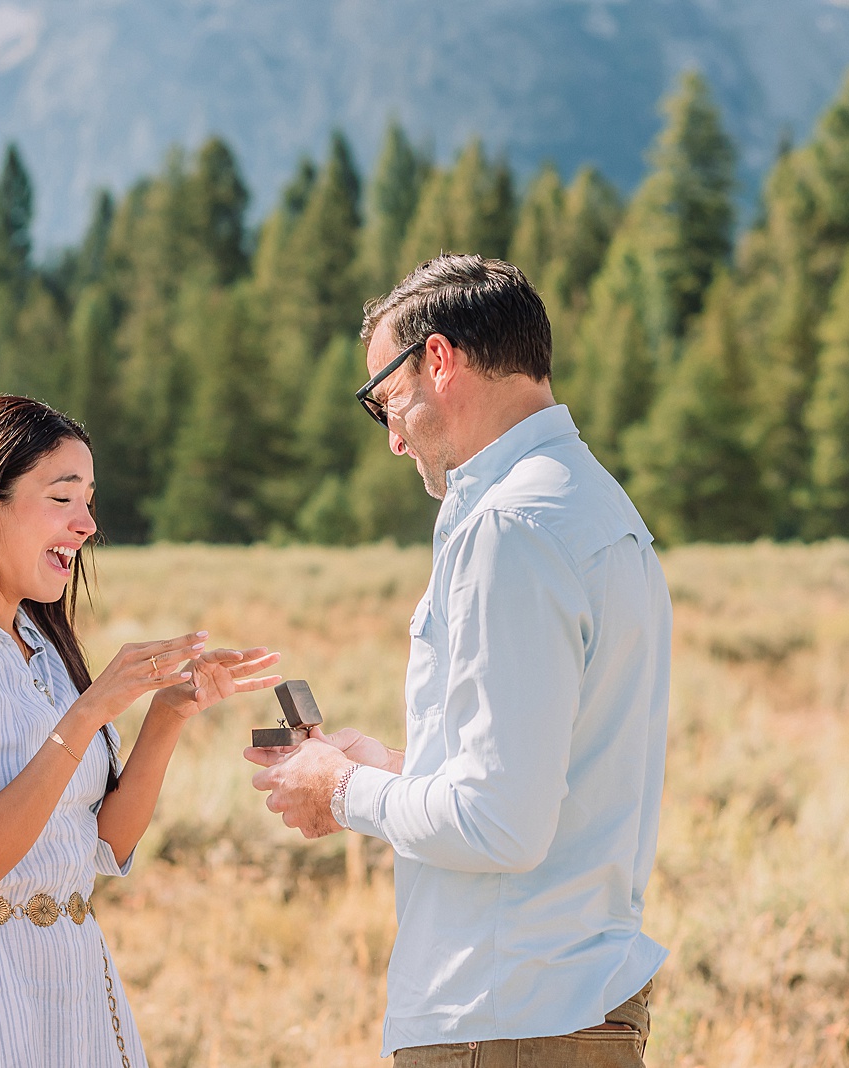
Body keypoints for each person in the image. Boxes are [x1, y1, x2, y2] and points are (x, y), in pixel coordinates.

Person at [246, 254, 671, 1066]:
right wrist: (392, 769)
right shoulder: (595, 505)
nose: (393, 435)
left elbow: (500, 825)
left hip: (503, 1019)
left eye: (384, 401)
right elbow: (538, 781)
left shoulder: (507, 528)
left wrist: (340, 788)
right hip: (566, 1009)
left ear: (437, 361)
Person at [0, 395, 281, 1068]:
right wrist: (89, 712)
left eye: (89, 501)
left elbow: (102, 845)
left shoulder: (39, 649)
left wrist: (165, 714)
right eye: (62, 499)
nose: (87, 524)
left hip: (73, 990)